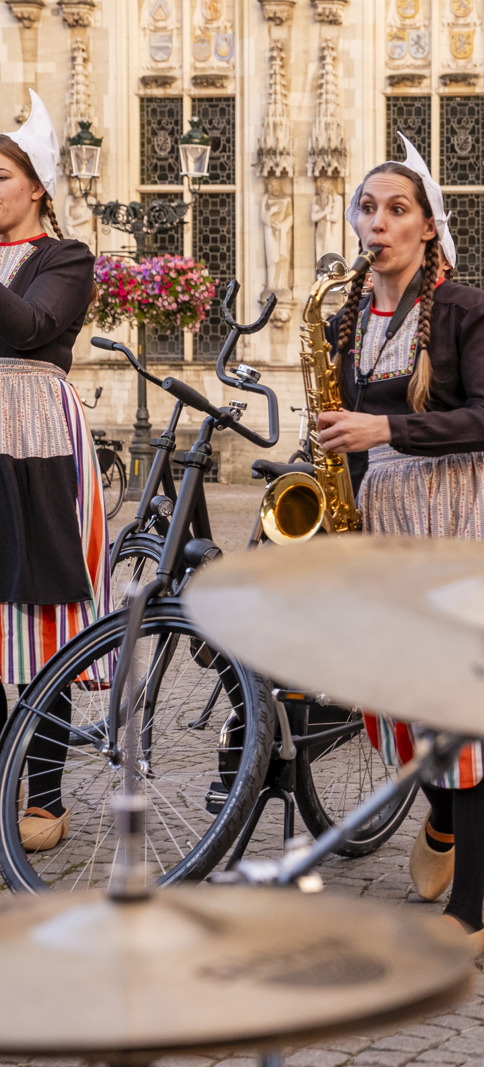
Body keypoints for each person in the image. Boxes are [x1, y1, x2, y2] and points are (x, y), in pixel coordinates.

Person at [322, 135, 484, 955]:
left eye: (396, 209)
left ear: (429, 227)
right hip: (388, 517)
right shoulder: (345, 320)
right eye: (367, 207)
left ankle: (468, 910)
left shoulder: (473, 310)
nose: (377, 222)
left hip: (466, 513)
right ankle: (440, 816)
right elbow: (344, 429)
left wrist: (386, 427)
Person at [0, 91, 103, 853]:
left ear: (36, 185)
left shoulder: (64, 258)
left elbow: (35, 326)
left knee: (41, 616)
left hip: (33, 434)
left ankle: (45, 795)